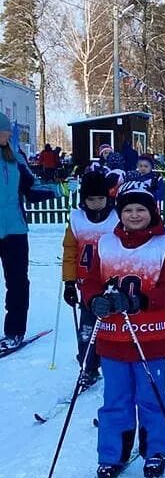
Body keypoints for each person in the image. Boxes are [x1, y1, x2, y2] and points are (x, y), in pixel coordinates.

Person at [82, 185, 165, 478]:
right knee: (115, 399)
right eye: (128, 210)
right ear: (120, 213)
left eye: (141, 210)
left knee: (152, 397)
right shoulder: (106, 243)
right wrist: (94, 299)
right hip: (112, 338)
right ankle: (112, 454)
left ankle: (156, 451)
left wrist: (142, 301)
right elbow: (90, 281)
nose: (134, 215)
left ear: (152, 212)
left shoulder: (164, 244)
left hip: (150, 338)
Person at [0, 112, 60, 351]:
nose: (7, 134)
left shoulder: (15, 158)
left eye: (7, 131)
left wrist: (57, 190)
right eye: (5, 131)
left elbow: (32, 190)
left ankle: (14, 331)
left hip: (14, 230)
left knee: (17, 282)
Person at [61, 171, 118, 387]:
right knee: (86, 329)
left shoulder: (116, 218)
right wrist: (69, 282)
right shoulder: (77, 220)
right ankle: (88, 366)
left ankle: (117, 363)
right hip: (86, 286)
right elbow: (70, 251)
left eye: (100, 198)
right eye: (91, 199)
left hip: (112, 283)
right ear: (84, 199)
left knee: (112, 326)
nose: (96, 203)